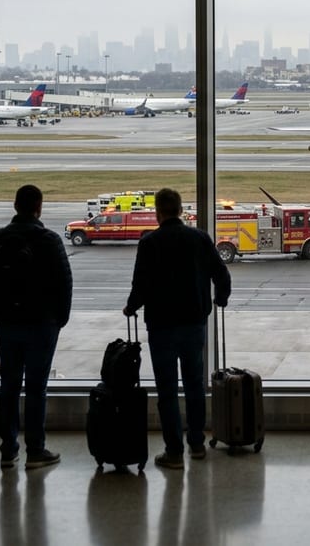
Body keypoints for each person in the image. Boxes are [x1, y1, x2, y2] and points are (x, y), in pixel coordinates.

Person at [123, 188, 230, 470]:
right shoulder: (199, 238)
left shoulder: (149, 243)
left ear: (157, 212)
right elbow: (221, 273)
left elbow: (141, 285)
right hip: (194, 323)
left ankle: (173, 452)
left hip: (161, 326)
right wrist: (220, 298)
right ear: (181, 210)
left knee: (167, 390)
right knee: (195, 385)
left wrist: (131, 307)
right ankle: (196, 444)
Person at [0, 185, 72, 469]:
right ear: (39, 207)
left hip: (8, 323)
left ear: (15, 206)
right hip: (42, 324)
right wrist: (59, 319)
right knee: (36, 388)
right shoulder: (49, 240)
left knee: (9, 386)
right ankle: (36, 450)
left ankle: (8, 450)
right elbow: (65, 283)